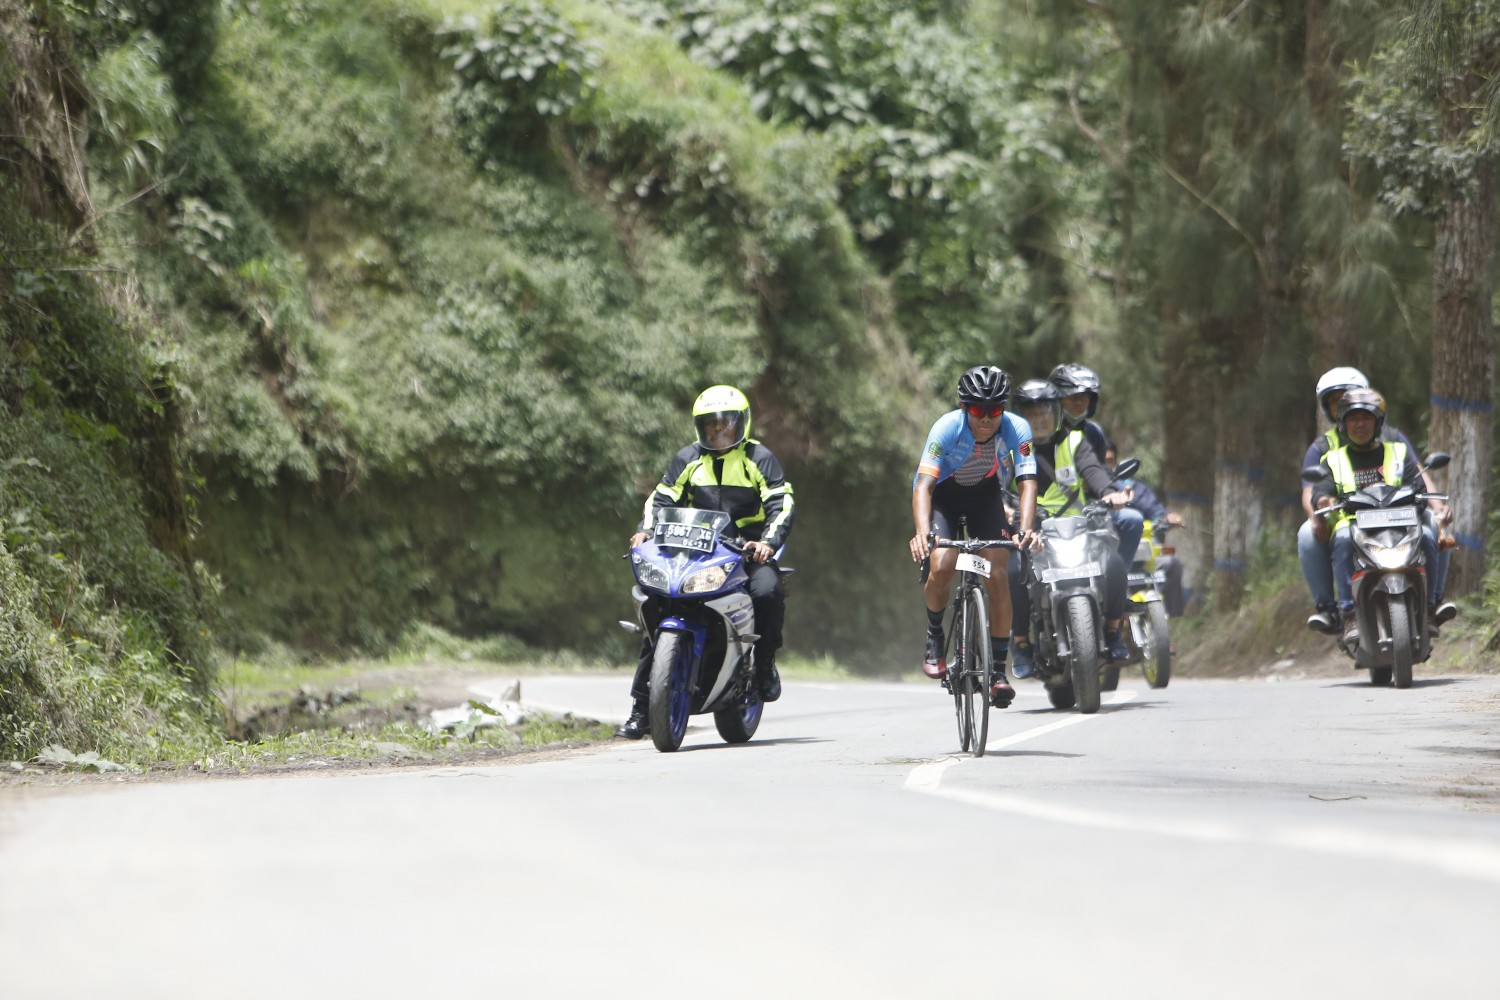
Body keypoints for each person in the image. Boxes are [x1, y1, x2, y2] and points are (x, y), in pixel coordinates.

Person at [615, 385, 795, 740]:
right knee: (657, 606)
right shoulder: (687, 458)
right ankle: (641, 708)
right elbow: (660, 498)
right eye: (710, 423)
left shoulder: (759, 458)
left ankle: (764, 666)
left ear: (741, 423)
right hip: (693, 552)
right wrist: (645, 530)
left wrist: (767, 543)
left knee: (767, 591)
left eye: (725, 422)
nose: (718, 429)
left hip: (745, 551)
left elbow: (782, 503)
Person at [909, 365, 1039, 709]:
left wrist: (1026, 528)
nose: (985, 418)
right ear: (964, 407)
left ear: (1002, 409)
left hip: (985, 497)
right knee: (943, 563)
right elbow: (923, 486)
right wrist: (922, 533)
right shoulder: (946, 428)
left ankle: (997, 672)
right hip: (944, 497)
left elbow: (1027, 482)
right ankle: (935, 635)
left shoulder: (1017, 429)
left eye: (994, 410)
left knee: (997, 572)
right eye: (978, 410)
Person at [1297, 367, 1454, 634]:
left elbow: (1417, 475)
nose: (1359, 422)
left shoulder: (1394, 443)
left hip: (1399, 515)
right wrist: (1319, 514)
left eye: (1365, 415)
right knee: (1310, 535)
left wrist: (1438, 508)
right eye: (1337, 402)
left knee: (1434, 528)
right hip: (1350, 520)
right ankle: (1332, 610)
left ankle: (1433, 602)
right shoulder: (1325, 451)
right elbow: (1313, 490)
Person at [1007, 379, 1132, 678]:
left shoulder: (1075, 441)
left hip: (1078, 528)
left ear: (1056, 412)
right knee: (1013, 570)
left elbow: (1093, 470)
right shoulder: (1012, 449)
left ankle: (1113, 629)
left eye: (1044, 412)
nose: (1039, 420)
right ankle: (1021, 642)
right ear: (1019, 418)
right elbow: (999, 484)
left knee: (1114, 563)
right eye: (1031, 414)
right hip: (1032, 530)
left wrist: (1110, 493)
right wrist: (1006, 508)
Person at [1049, 363, 1144, 567]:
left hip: (1089, 509)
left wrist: (1114, 491)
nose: (1079, 402)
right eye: (1073, 397)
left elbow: (1096, 470)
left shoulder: (1093, 433)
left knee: (1132, 519)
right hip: (1044, 510)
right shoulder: (1041, 433)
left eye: (1085, 397)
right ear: (1056, 399)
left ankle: (1117, 580)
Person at [1104, 445, 1187, 617]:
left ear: (1117, 464)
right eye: (1100, 462)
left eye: (1110, 461)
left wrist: (1168, 519)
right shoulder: (1083, 490)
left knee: (1172, 565)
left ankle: (1172, 620)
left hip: (1142, 560)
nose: (1105, 466)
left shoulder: (1133, 488)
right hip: (1105, 563)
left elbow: (1157, 513)